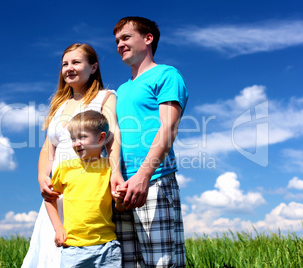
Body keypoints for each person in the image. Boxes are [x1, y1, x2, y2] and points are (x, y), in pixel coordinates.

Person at [22, 43, 123, 268]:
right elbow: (49, 147)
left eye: (76, 62)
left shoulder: (105, 97)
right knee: (54, 246)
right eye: (65, 64)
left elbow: (113, 136)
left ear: (94, 67)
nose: (69, 68)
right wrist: (42, 177)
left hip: (90, 182)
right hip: (61, 184)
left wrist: (115, 172)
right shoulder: (59, 105)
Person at [113, 16, 189, 267]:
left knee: (162, 263)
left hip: (153, 180)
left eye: (125, 37)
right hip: (121, 187)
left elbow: (168, 127)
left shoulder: (166, 74)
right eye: (117, 41)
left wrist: (144, 175)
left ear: (148, 39)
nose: (119, 44)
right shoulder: (121, 91)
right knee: (126, 263)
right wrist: (116, 175)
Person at [45, 110, 124, 267]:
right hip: (73, 248)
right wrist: (58, 228)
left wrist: (120, 200)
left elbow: (119, 208)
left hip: (106, 247)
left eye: (82, 137)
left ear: (101, 138)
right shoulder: (64, 168)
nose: (76, 143)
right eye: (73, 138)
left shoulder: (109, 168)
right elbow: (49, 198)